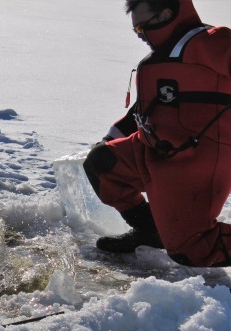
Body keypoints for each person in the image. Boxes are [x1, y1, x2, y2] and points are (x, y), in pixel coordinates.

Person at [83, 0, 231, 267]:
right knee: (102, 164)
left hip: (198, 164)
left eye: (142, 28)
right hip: (153, 151)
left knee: (192, 250)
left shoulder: (211, 42)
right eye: (136, 31)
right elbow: (142, 111)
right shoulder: (157, 62)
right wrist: (109, 139)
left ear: (165, 14)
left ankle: (182, 238)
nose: (141, 37)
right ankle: (150, 231)